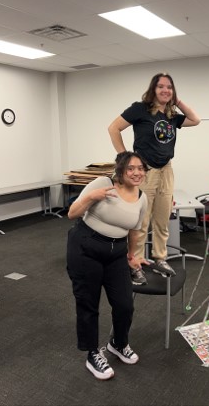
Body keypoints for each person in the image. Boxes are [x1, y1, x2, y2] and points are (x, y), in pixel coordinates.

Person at [108, 73, 200, 286]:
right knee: (141, 220)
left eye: (169, 87)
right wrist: (125, 159)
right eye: (161, 87)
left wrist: (176, 101)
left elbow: (196, 120)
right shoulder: (140, 109)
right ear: (153, 89)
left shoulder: (171, 115)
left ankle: (160, 258)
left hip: (166, 169)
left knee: (162, 218)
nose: (165, 90)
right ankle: (135, 263)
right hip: (146, 170)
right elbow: (113, 128)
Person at [66, 152, 150, 380]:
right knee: (88, 304)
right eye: (131, 168)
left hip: (116, 254)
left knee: (124, 304)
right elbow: (72, 213)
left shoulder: (142, 197)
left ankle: (118, 343)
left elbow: (135, 229)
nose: (137, 172)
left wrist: (132, 255)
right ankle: (92, 353)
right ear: (121, 170)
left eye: (141, 168)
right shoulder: (102, 184)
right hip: (86, 248)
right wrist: (91, 196)